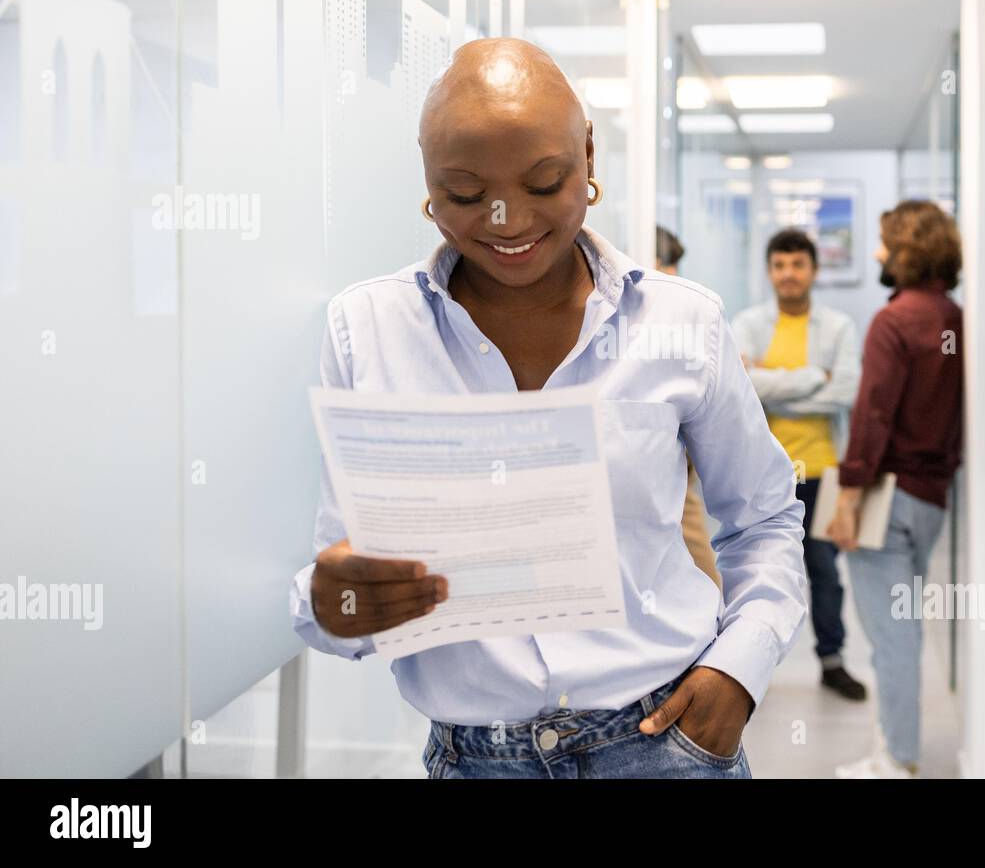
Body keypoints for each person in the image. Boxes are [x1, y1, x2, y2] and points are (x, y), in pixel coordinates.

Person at [289, 38, 807, 779]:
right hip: (476, 759)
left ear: (588, 155)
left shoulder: (681, 323)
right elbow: (342, 584)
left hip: (665, 741)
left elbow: (763, 517)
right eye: (465, 194)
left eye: (544, 182)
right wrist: (331, 605)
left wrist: (738, 672)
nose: (507, 219)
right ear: (428, 182)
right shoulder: (366, 330)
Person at [829, 200, 963, 779]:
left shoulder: (895, 320)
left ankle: (897, 760)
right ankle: (896, 749)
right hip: (932, 496)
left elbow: (873, 415)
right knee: (903, 629)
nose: (877, 252)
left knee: (891, 637)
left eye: (885, 241)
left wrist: (848, 497)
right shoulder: (954, 317)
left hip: (888, 497)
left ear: (907, 248)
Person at [733, 228, 867, 702]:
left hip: (823, 471)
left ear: (813, 270)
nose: (788, 274)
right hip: (767, 474)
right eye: (779, 265)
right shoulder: (748, 323)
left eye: (797, 265)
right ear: (769, 271)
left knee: (825, 574)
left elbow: (844, 393)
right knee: (759, 573)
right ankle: (747, 667)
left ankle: (832, 662)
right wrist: (813, 378)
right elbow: (743, 387)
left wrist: (773, 387)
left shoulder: (838, 327)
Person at [655, 225, 722, 590]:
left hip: (680, 485)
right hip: (658, 491)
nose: (671, 274)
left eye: (673, 265)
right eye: (665, 263)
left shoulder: (682, 324)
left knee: (708, 588)